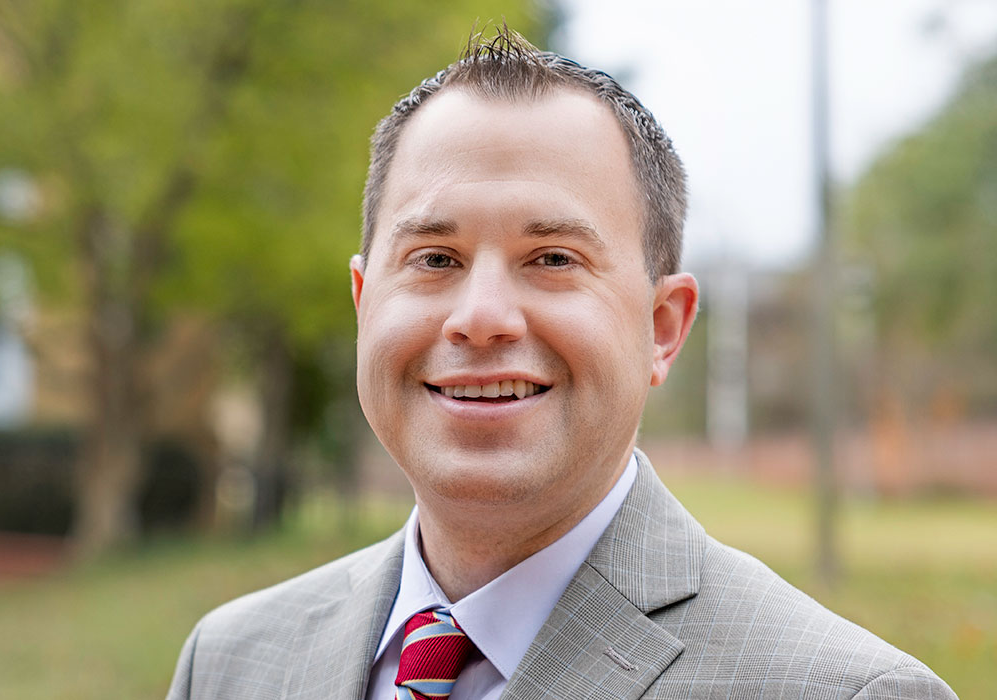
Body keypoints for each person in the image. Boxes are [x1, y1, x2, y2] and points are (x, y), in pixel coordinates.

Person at [166, 26, 956, 700]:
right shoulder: (231, 663)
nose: (479, 318)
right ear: (365, 299)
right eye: (435, 258)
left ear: (663, 327)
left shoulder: (845, 692)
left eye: (551, 258)